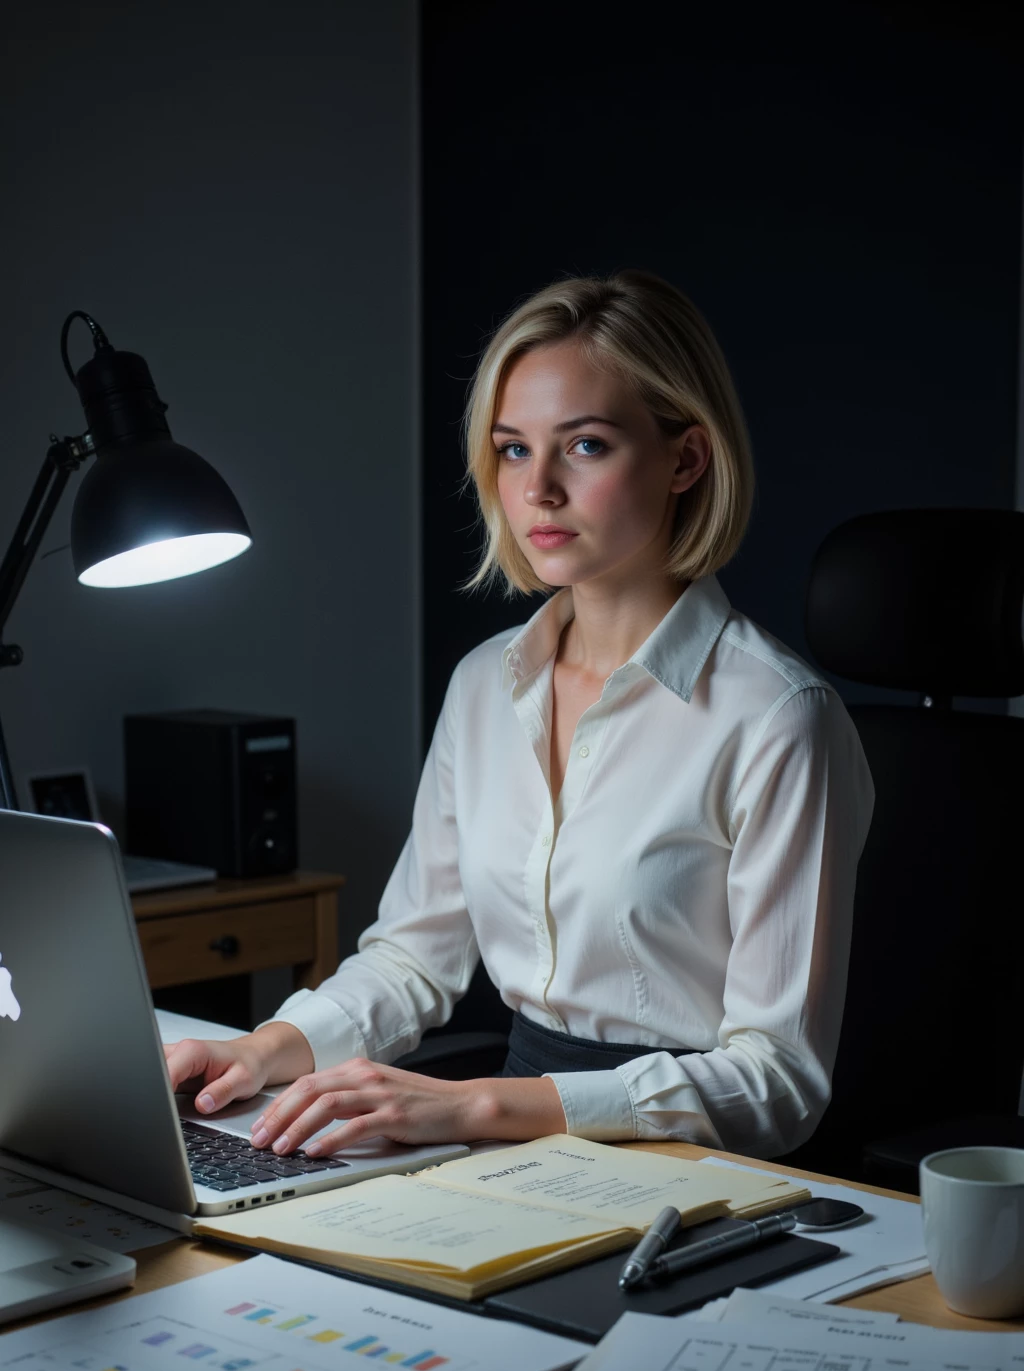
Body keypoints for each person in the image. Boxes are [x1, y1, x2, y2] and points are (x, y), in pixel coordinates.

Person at [165, 269, 874, 1162]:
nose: (537, 488)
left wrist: (481, 1108)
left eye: (583, 446)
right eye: (511, 449)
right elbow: (414, 958)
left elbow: (777, 1080)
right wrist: (257, 1049)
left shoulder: (778, 719)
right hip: (515, 1146)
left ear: (686, 458)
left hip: (690, 1166)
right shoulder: (482, 687)